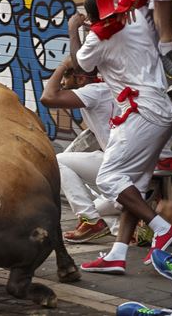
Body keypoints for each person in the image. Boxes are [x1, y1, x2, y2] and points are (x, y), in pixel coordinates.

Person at [69, 0, 172, 274]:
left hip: (142, 113)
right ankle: (117, 254)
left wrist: (73, 29)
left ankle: (162, 227)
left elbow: (81, 67)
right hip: (162, 110)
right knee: (134, 184)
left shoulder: (97, 38)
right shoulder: (137, 20)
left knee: (109, 179)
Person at [40, 58, 121, 243]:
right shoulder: (105, 89)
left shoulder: (94, 91)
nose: (61, 82)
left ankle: (91, 220)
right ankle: (99, 219)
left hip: (120, 166)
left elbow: (47, 97)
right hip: (121, 165)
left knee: (58, 161)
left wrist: (63, 65)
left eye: (66, 77)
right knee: (98, 208)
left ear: (81, 79)